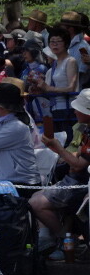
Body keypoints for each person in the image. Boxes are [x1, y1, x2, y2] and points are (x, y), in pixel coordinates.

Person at [29, 89, 90, 252]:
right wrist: (68, 154)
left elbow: (78, 165)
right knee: (35, 195)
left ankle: (65, 240)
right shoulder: (85, 129)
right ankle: (51, 239)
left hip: (82, 185)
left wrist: (57, 148)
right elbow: (81, 155)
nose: (75, 111)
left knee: (36, 203)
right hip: (75, 180)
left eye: (80, 109)